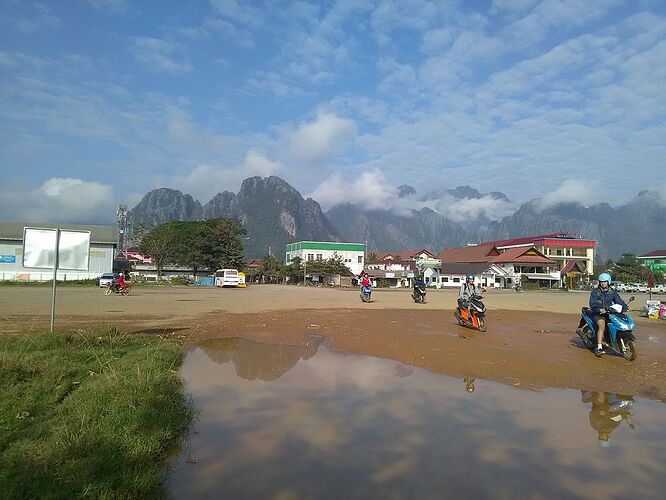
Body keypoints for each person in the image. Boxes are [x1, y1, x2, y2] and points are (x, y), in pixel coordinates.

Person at [589, 273, 628, 357]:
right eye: (601, 282)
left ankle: (613, 340)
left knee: (618, 322)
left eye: (605, 282)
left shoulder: (612, 292)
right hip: (598, 313)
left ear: (608, 282)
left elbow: (619, 301)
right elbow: (592, 304)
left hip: (609, 312)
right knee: (602, 325)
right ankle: (599, 347)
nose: (603, 283)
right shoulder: (595, 292)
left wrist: (625, 307)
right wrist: (599, 309)